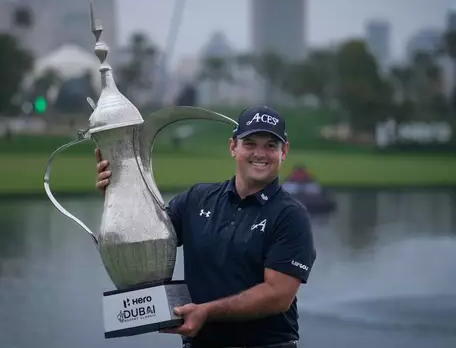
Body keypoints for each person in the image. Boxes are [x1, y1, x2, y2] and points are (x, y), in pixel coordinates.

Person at [95, 105, 317, 348]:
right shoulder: (196, 199)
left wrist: (206, 312)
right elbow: (149, 237)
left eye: (270, 145)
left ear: (283, 151)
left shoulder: (291, 215)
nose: (260, 153)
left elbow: (278, 296)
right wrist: (121, 187)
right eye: (250, 143)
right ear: (233, 147)